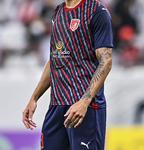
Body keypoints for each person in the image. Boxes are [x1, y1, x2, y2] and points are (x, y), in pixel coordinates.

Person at [22, 0, 113, 149]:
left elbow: (106, 61)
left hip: (85, 107)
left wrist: (84, 102)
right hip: (57, 105)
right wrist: (34, 97)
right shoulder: (58, 12)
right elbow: (55, 58)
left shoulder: (96, 12)